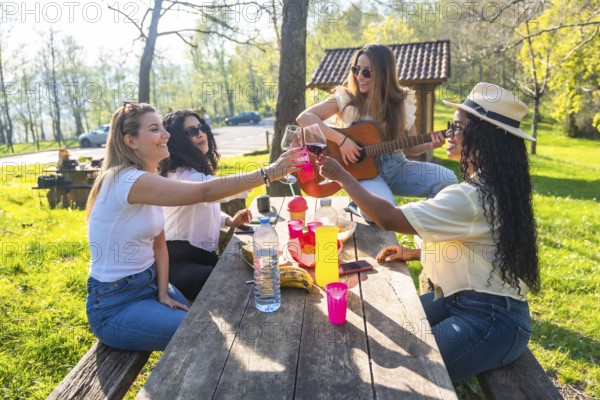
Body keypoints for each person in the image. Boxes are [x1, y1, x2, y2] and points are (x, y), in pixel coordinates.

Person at [316, 82, 540, 382]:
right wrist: (416, 252)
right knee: (389, 330)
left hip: (491, 319)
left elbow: (388, 218)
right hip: (456, 298)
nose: (449, 132)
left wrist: (341, 174)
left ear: (482, 138)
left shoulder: (472, 196)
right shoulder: (496, 186)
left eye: (457, 127)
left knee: (411, 372)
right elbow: (480, 244)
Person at [85, 102, 302, 352]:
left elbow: (159, 246)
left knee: (215, 328)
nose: (166, 135)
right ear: (130, 141)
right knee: (205, 335)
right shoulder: (126, 180)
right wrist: (269, 173)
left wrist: (164, 292)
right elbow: (205, 191)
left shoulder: (149, 181)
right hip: (115, 304)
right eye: (155, 129)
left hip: (152, 284)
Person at [297, 44, 457, 219]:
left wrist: (429, 145)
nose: (359, 76)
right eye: (356, 70)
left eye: (367, 72)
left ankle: (427, 229)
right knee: (382, 212)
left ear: (383, 73)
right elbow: (304, 118)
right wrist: (342, 141)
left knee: (447, 180)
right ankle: (358, 204)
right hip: (363, 175)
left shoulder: (403, 102)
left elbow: (411, 149)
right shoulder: (346, 98)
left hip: (397, 168)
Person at [157, 110, 251, 300]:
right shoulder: (185, 177)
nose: (200, 134)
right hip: (178, 261)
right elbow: (213, 193)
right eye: (191, 132)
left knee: (245, 273)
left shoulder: (192, 173)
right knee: (231, 284)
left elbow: (202, 209)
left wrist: (229, 221)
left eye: (202, 128)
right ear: (177, 141)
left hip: (200, 256)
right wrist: (266, 175)